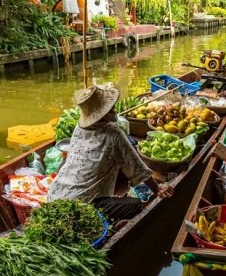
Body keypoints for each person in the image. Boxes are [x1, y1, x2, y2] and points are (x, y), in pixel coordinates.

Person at [47, 84, 174, 220]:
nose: (114, 108)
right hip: (80, 206)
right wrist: (158, 188)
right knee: (136, 205)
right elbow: (136, 166)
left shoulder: (79, 127)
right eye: (110, 108)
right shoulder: (112, 131)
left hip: (55, 195)